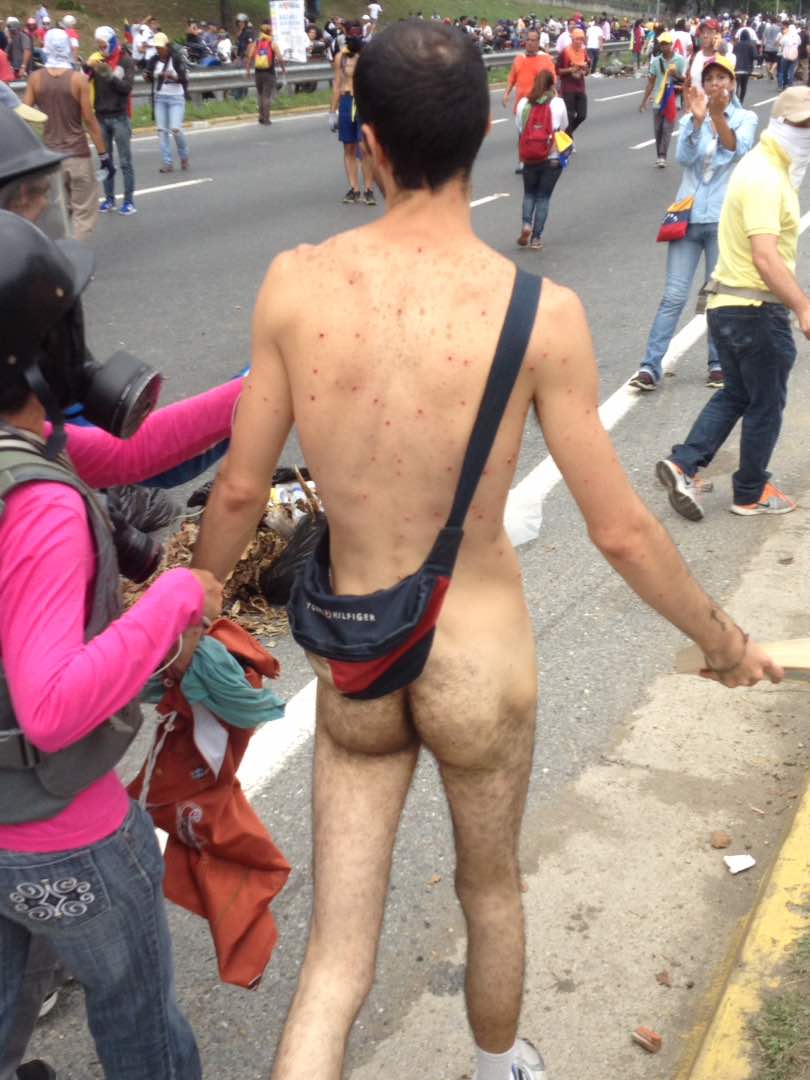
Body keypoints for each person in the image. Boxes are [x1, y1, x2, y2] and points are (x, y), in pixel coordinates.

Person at [189, 22, 782, 1080]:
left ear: (369, 140)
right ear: (494, 127)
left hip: (359, 660)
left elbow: (238, 489)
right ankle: (501, 1064)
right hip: (480, 659)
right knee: (491, 891)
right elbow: (620, 529)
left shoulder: (294, 283)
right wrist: (724, 642)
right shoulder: (540, 314)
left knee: (336, 958)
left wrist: (189, 604)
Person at [0, 200, 246, 1078]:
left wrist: (264, 386)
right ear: (41, 353)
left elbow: (139, 451)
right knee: (141, 1023)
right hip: (63, 835)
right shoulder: (39, 505)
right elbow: (51, 705)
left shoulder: (29, 448)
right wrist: (175, 596)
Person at [655, 87, 810, 521]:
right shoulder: (766, 177)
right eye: (802, 126)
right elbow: (765, 256)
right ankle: (751, 491)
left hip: (728, 304)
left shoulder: (761, 166)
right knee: (766, 403)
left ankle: (683, 463)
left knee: (737, 393)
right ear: (779, 123)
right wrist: (802, 306)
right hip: (755, 311)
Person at [630, 54, 757, 394]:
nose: (715, 84)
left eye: (721, 78)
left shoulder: (746, 118)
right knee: (673, 295)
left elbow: (736, 150)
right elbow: (684, 159)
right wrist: (699, 122)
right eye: (709, 79)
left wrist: (716, 117)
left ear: (732, 83)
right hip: (686, 217)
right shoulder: (691, 118)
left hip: (722, 219)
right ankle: (649, 366)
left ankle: (717, 364)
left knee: (717, 297)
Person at [23, 28, 111, 242]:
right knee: (84, 212)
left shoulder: (36, 79)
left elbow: (25, 114)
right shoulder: (79, 80)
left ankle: (57, 253)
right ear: (68, 48)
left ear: (46, 48)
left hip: (50, 157)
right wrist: (103, 155)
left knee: (56, 213)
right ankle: (75, 255)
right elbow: (89, 120)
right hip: (77, 155)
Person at [516, 68, 568, 250]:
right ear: (552, 84)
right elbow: (564, 126)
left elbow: (520, 127)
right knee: (543, 197)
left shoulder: (524, 103)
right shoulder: (558, 103)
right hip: (552, 157)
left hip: (530, 156)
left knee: (529, 193)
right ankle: (536, 238)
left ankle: (526, 224)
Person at [87, 25, 136, 216]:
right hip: (101, 116)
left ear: (112, 42)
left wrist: (108, 74)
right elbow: (85, 79)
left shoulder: (125, 60)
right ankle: (109, 199)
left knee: (125, 161)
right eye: (99, 46)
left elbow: (126, 88)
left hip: (120, 116)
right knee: (105, 160)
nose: (101, 49)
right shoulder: (98, 60)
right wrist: (87, 67)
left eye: (104, 45)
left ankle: (129, 201)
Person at [328, 27, 375, 204]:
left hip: (362, 102)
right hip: (347, 101)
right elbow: (337, 84)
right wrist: (332, 111)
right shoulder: (341, 57)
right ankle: (354, 188)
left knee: (364, 147)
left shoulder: (367, 57)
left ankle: (369, 189)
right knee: (349, 147)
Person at [502, 28, 555, 173]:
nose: (530, 43)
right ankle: (522, 162)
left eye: (533, 40)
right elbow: (512, 78)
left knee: (539, 133)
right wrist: (506, 93)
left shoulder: (545, 59)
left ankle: (543, 158)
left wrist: (553, 96)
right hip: (522, 105)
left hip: (540, 104)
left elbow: (552, 80)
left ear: (538, 42)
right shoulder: (519, 59)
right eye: (528, 40)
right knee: (522, 134)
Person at [639, 32, 687, 168]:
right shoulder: (656, 61)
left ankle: (662, 156)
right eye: (662, 44)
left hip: (673, 98)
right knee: (658, 129)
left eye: (666, 44)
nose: (664, 47)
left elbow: (685, 80)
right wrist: (644, 101)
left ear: (671, 45)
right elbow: (651, 82)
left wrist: (675, 74)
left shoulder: (680, 60)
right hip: (658, 99)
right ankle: (659, 155)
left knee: (667, 128)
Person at [145, 32, 190, 172]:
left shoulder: (176, 58)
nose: (159, 50)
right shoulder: (154, 60)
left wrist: (172, 77)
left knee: (176, 129)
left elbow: (184, 79)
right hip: (160, 98)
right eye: (157, 48)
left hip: (176, 98)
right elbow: (149, 77)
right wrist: (148, 76)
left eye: (161, 47)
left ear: (167, 46)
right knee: (161, 131)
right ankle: (167, 162)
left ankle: (184, 155)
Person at [245, 22, 286, 126]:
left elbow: (250, 56)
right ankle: (266, 118)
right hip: (269, 72)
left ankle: (260, 116)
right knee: (266, 96)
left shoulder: (256, 43)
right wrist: (283, 69)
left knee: (260, 94)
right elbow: (280, 58)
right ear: (269, 32)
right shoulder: (272, 43)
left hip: (258, 72)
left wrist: (248, 70)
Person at [555, 26, 589, 138]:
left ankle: (565, 135)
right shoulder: (565, 52)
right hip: (568, 88)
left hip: (580, 88)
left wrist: (585, 70)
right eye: (577, 39)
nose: (579, 42)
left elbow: (588, 70)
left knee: (582, 115)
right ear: (572, 39)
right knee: (569, 116)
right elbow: (557, 70)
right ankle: (567, 139)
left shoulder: (584, 52)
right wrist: (570, 70)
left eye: (581, 39)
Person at [734, 26, 757, 103]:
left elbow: (733, 55)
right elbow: (754, 56)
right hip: (746, 69)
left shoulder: (736, 45)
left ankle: (735, 100)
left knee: (736, 86)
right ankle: (741, 101)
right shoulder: (751, 45)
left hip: (737, 68)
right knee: (744, 87)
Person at [777, 19, 800, 90]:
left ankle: (782, 85)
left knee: (783, 71)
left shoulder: (786, 36)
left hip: (785, 55)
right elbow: (799, 43)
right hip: (794, 56)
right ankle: (790, 85)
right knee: (791, 71)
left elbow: (780, 43)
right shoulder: (797, 36)